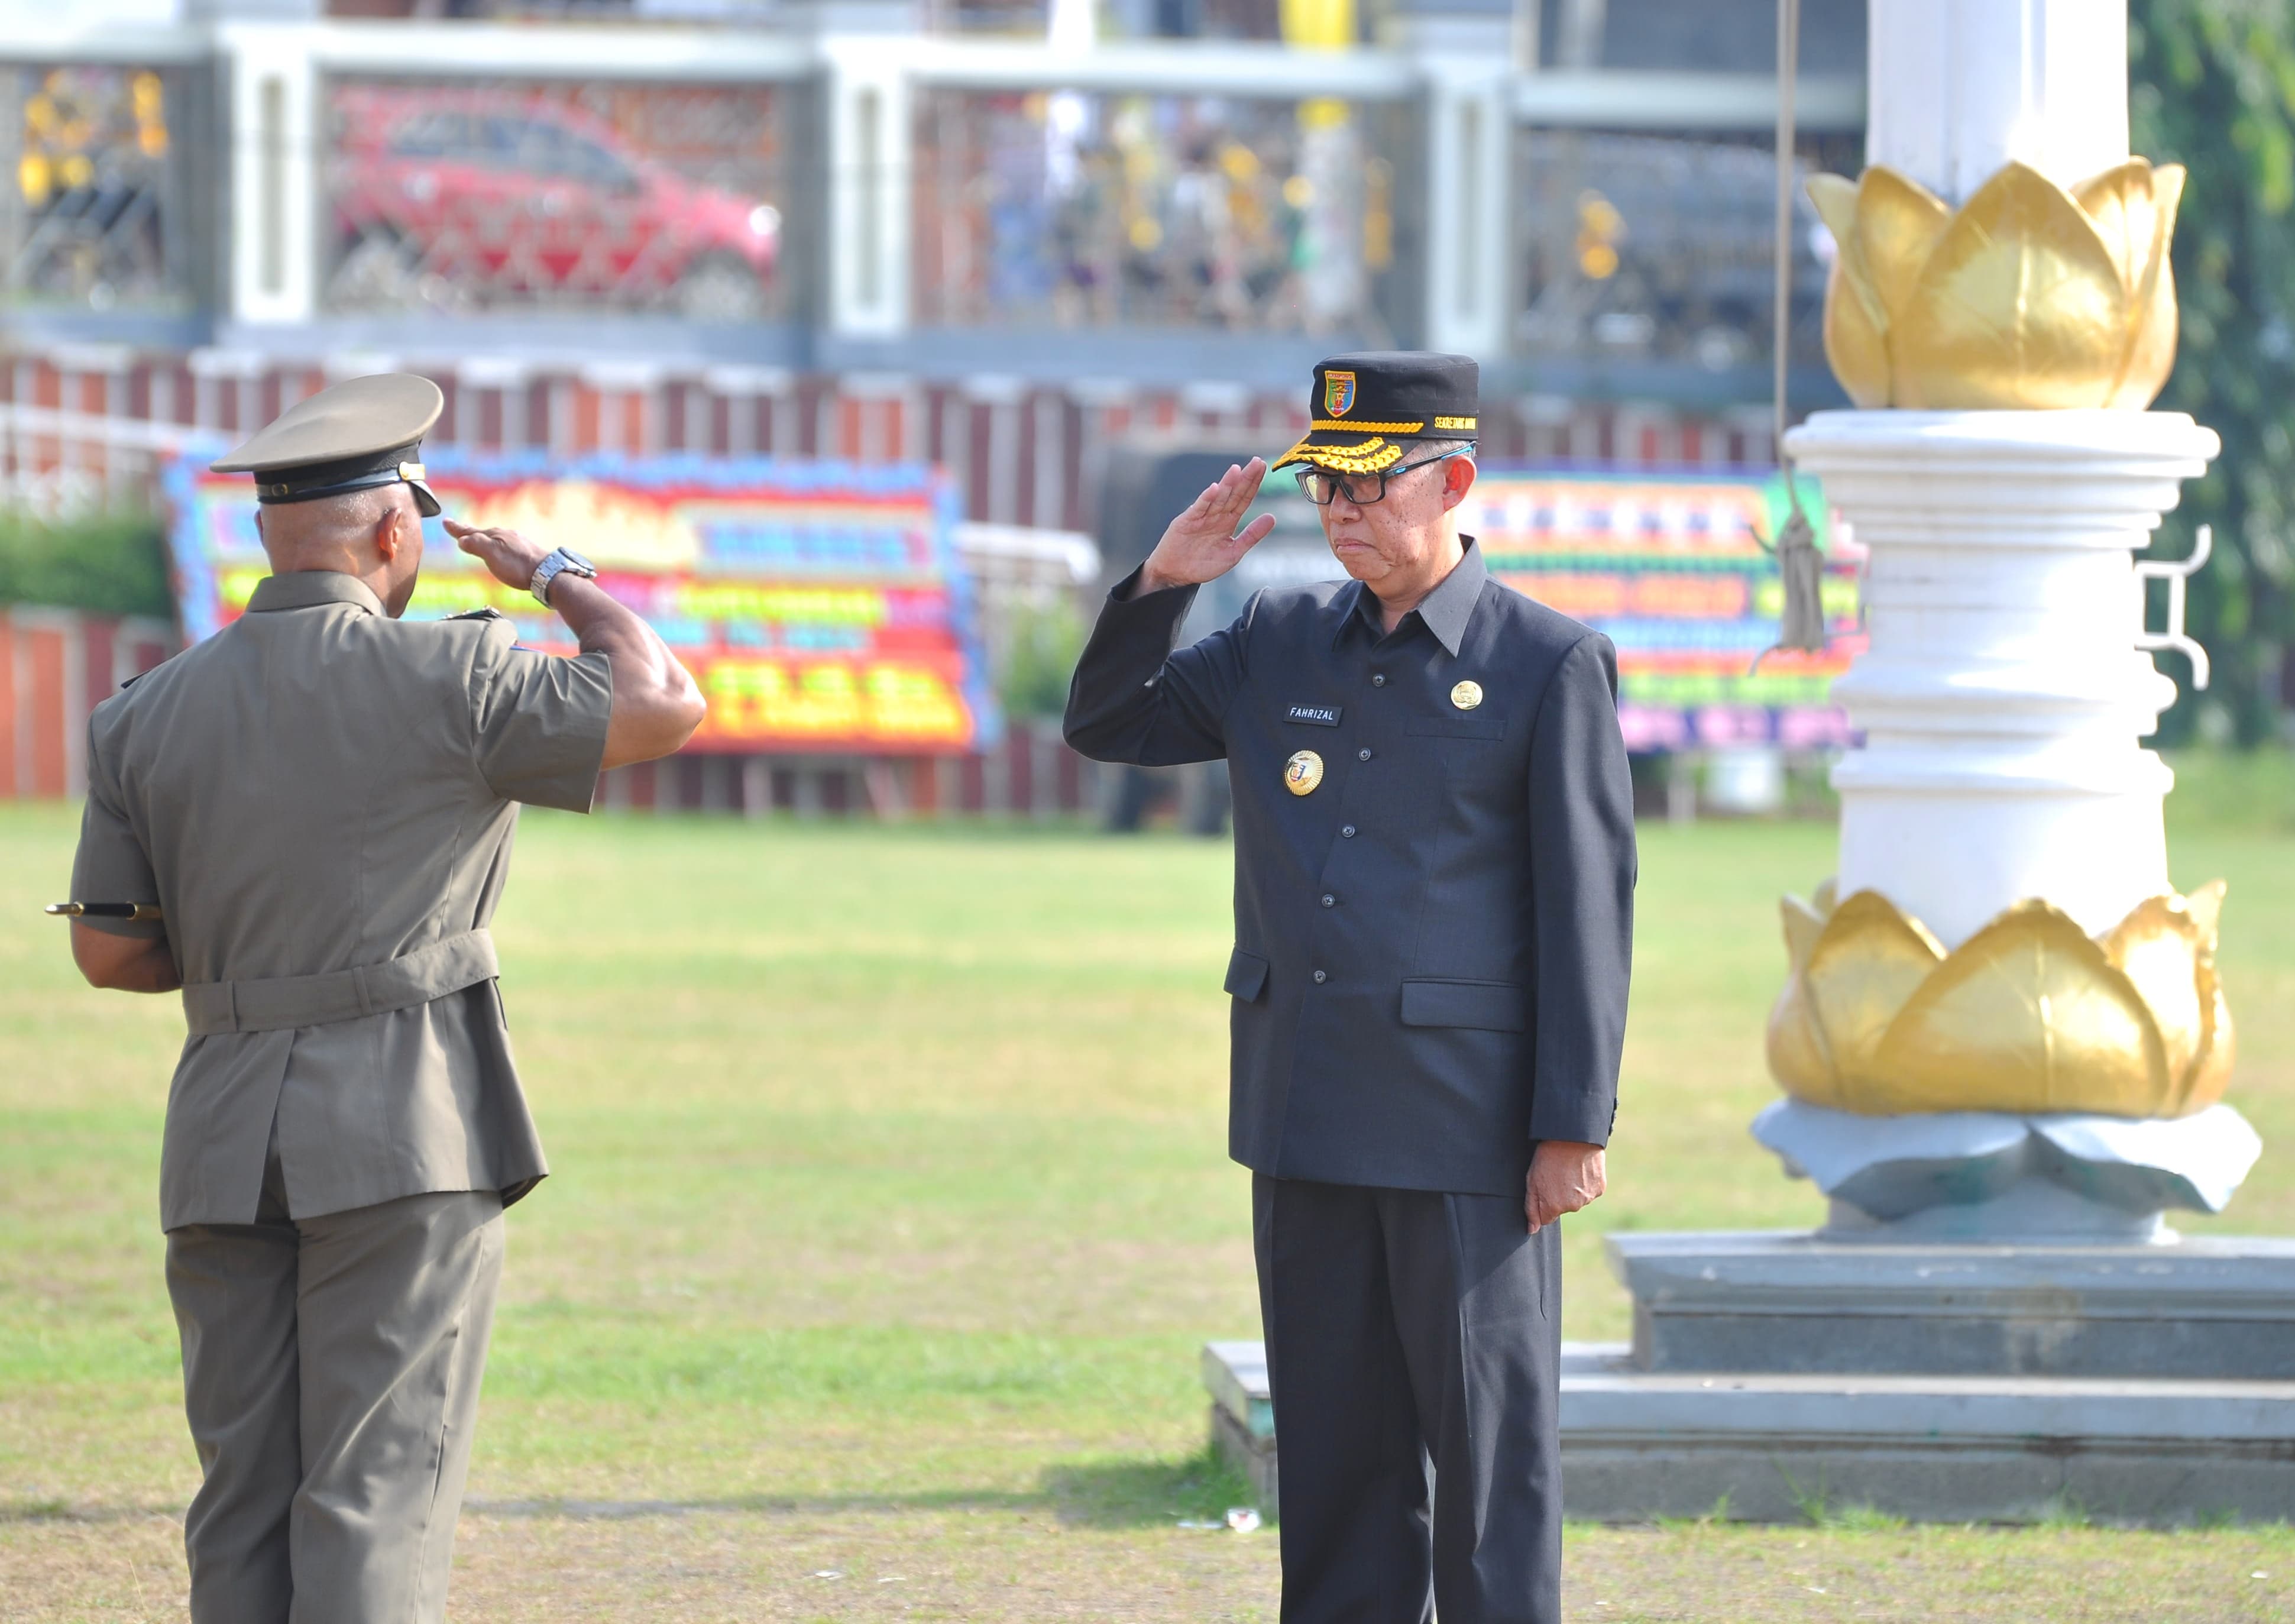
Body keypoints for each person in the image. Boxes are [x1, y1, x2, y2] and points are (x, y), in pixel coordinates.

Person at [62, 373, 705, 1624]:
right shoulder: (451, 676)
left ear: (271, 532)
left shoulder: (142, 714)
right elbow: (663, 698)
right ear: (399, 532)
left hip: (217, 1135)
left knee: (242, 1494)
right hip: (405, 1130)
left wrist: (260, 949)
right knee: (374, 1492)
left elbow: (109, 952)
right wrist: (555, 570)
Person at [1064, 352, 1634, 1624]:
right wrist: (1163, 584)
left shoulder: (1548, 662)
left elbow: (1587, 909)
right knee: (1334, 1463)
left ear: (1458, 482)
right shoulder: (1273, 641)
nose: (1346, 514)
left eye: (1375, 488)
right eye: (1329, 489)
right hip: (1309, 1109)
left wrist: (1572, 1125)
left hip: (1465, 1131)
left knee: (1489, 1469)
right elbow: (1109, 725)